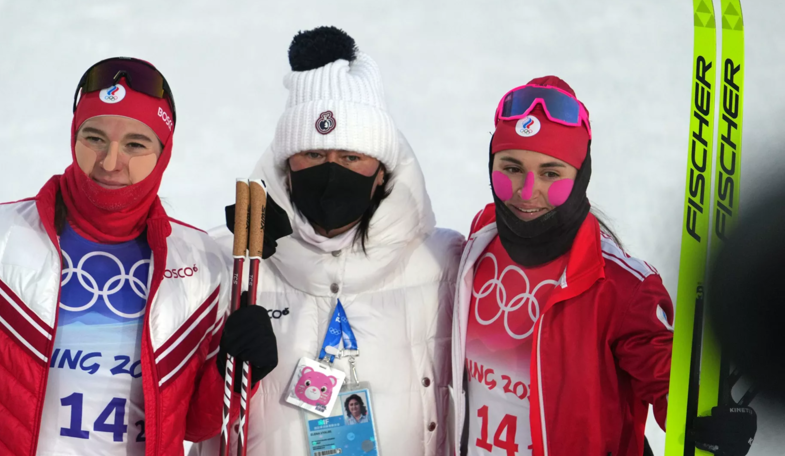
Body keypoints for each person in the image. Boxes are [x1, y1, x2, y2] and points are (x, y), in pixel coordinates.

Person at [0, 57, 277, 456]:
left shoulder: (200, 266)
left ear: (164, 152)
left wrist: (238, 372)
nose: (110, 163)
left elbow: (196, 423)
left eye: (135, 145)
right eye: (94, 138)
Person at [450, 76, 758, 456]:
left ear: (581, 177)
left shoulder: (620, 285)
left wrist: (710, 414)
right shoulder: (478, 244)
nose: (527, 192)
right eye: (511, 168)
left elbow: (666, 379)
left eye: (551, 173)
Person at [194, 26, 464, 456]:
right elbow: (169, 408)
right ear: (287, 165)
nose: (331, 172)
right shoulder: (227, 261)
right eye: (314, 155)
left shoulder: (443, 264)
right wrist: (215, 372)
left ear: (382, 170)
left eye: (351, 157)